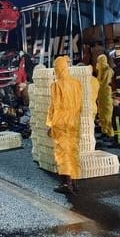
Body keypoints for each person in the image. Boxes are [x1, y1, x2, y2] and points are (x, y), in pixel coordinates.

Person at [46, 56, 83, 195]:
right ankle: (74, 181)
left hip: (61, 122)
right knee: (73, 151)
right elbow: (80, 104)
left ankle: (65, 183)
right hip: (74, 122)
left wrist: (50, 124)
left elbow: (54, 106)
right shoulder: (76, 83)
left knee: (63, 153)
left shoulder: (57, 84)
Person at [95, 54, 114, 140]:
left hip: (107, 96)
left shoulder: (108, 71)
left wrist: (95, 84)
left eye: (99, 61)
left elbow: (105, 84)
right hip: (102, 96)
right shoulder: (101, 71)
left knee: (108, 115)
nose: (97, 64)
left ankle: (110, 134)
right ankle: (104, 131)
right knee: (102, 114)